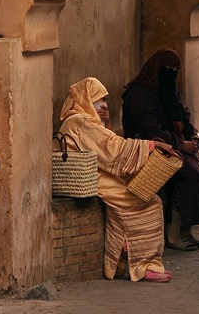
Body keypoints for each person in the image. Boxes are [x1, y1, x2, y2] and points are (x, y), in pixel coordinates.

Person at [57, 76, 174, 283]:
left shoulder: (88, 120)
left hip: (102, 172)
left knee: (149, 199)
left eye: (103, 100)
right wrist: (150, 147)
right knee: (147, 202)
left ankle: (122, 256)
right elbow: (112, 150)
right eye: (97, 100)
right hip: (93, 176)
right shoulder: (80, 121)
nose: (102, 105)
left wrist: (107, 123)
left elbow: (107, 145)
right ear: (85, 99)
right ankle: (144, 265)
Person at [122, 49, 199, 250]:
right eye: (168, 69)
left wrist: (193, 136)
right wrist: (180, 144)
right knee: (190, 175)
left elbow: (182, 115)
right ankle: (174, 234)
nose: (172, 73)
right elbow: (150, 129)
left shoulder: (169, 90)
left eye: (176, 69)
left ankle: (186, 231)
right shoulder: (139, 94)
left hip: (173, 147)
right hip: (151, 149)